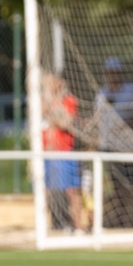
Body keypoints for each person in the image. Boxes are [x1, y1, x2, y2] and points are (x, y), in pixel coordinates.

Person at [95, 57, 133, 227]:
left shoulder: (131, 90)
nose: (112, 76)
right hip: (108, 146)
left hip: (127, 147)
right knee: (116, 183)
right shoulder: (102, 94)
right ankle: (120, 217)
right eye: (109, 73)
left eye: (115, 73)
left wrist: (125, 124)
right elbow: (97, 118)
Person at [42, 73, 86, 233]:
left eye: (53, 82)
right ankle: (50, 224)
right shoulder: (42, 101)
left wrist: (51, 110)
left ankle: (78, 226)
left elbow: (65, 123)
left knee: (72, 190)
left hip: (64, 151)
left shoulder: (69, 101)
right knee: (45, 189)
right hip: (46, 152)